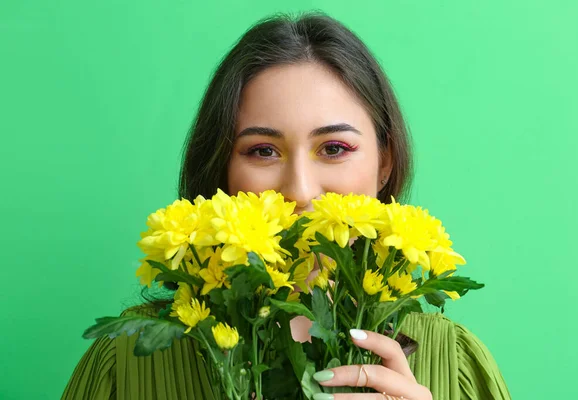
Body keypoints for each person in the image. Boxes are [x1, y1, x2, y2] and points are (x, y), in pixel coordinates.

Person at [62, 13, 511, 400]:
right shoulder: (124, 365)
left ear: (384, 164)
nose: (299, 190)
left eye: (334, 148)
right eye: (262, 151)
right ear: (222, 171)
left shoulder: (456, 364)